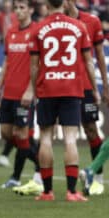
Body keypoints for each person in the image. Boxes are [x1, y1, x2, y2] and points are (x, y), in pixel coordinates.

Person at [22, 0, 101, 201]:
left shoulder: (38, 28)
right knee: (70, 139)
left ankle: (47, 192)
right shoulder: (79, 26)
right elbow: (89, 62)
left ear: (46, 5)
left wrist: (34, 90)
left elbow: (33, 66)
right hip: (71, 89)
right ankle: (71, 191)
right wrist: (95, 89)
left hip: (47, 89)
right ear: (64, 5)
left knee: (46, 138)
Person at [0, 0, 42, 195]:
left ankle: (16, 177)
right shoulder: (11, 33)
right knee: (7, 134)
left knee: (21, 135)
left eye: (22, 8)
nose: (19, 11)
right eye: (16, 8)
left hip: (24, 96)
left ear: (30, 10)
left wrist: (30, 90)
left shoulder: (36, 32)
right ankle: (41, 163)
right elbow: (6, 62)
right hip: (8, 94)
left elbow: (37, 65)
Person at [64, 0, 109, 196]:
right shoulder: (52, 25)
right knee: (49, 131)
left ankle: (97, 177)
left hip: (86, 87)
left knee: (91, 130)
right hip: (62, 87)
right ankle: (40, 180)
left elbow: (99, 55)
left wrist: (105, 86)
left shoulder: (91, 21)